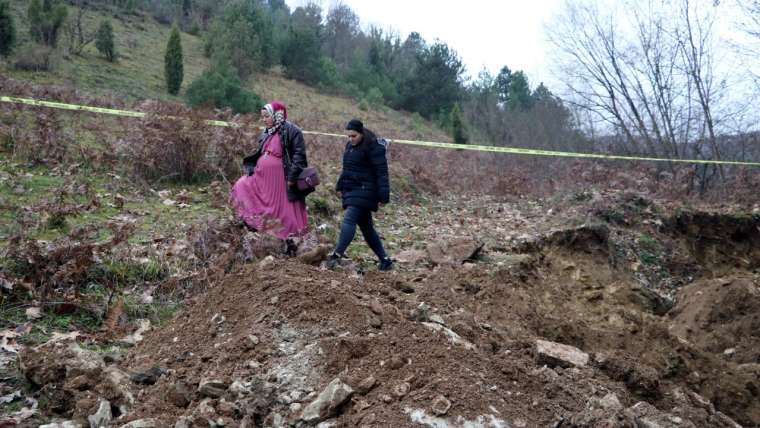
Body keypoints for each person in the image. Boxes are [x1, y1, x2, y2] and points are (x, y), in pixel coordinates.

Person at [230, 101, 309, 255]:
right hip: (262, 175)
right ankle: (254, 223)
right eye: (262, 117)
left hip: (281, 178)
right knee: (242, 185)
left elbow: (299, 156)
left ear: (276, 115)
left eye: (266, 116)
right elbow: (261, 152)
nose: (263, 119)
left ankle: (288, 238)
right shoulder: (267, 131)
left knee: (281, 208)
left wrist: (292, 177)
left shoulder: (292, 131)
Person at [327, 119, 393, 271]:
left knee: (349, 219)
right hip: (352, 189)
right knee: (367, 228)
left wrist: (384, 195)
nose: (351, 139)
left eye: (354, 136)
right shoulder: (350, 146)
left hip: (366, 190)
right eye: (348, 136)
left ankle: (336, 255)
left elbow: (382, 173)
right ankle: (385, 260)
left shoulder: (374, 147)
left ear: (361, 133)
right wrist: (341, 184)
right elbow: (347, 168)